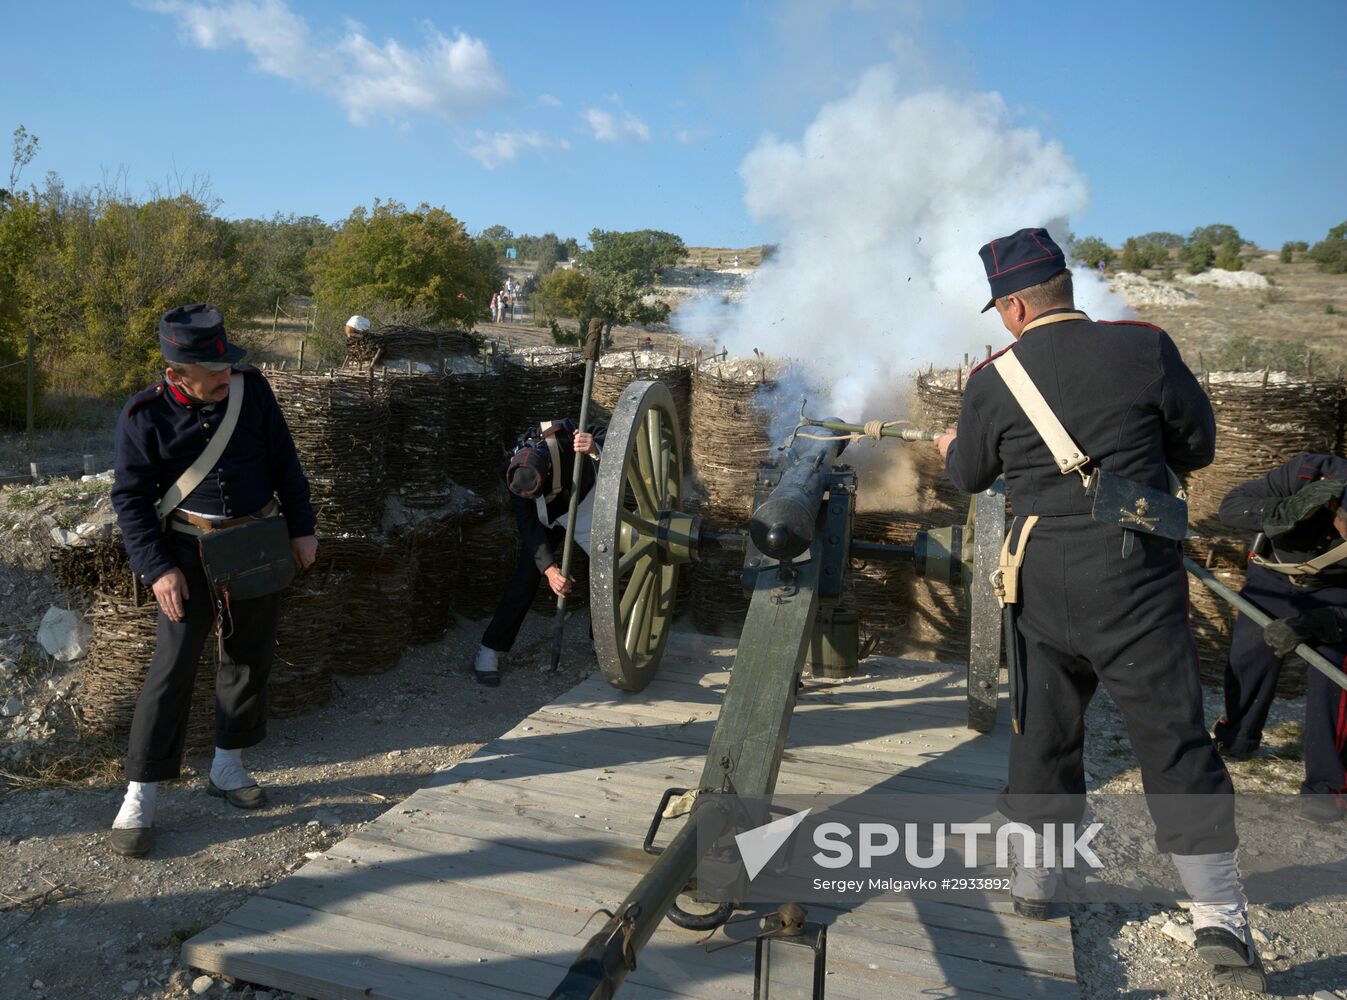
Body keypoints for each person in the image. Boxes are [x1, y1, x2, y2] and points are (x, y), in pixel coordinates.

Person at [935, 228, 1265, 991]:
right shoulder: (1145, 347)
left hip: (1038, 575)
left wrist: (957, 442)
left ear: (1013, 305)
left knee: (1043, 726)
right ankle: (1217, 912)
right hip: (1134, 574)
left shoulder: (994, 377)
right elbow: (1196, 447)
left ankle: (1037, 879)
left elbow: (971, 473)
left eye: (1001, 310)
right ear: (1064, 289)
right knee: (1171, 734)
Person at [108, 304, 318, 858]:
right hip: (186, 551)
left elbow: (285, 463)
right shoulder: (143, 416)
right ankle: (140, 795)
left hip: (256, 544)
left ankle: (227, 767)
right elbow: (129, 501)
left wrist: (303, 529)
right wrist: (158, 568)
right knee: (171, 669)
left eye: (227, 363)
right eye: (213, 369)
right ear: (177, 374)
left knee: (249, 656)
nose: (226, 374)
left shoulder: (253, 391)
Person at [1214, 454, 1347, 824]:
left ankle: (1327, 789)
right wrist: (1285, 509)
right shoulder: (1306, 472)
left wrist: (1322, 623)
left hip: (1338, 594)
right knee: (1248, 654)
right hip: (1273, 580)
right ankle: (1238, 737)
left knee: (1332, 674)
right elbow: (1231, 508)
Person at [473, 418, 604, 685]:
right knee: (525, 576)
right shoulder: (515, 472)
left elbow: (608, 430)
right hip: (543, 517)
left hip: (581, 503)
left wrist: (595, 446)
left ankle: (601, 640)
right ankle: (489, 650)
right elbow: (529, 528)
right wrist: (550, 569)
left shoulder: (565, 433)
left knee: (605, 564)